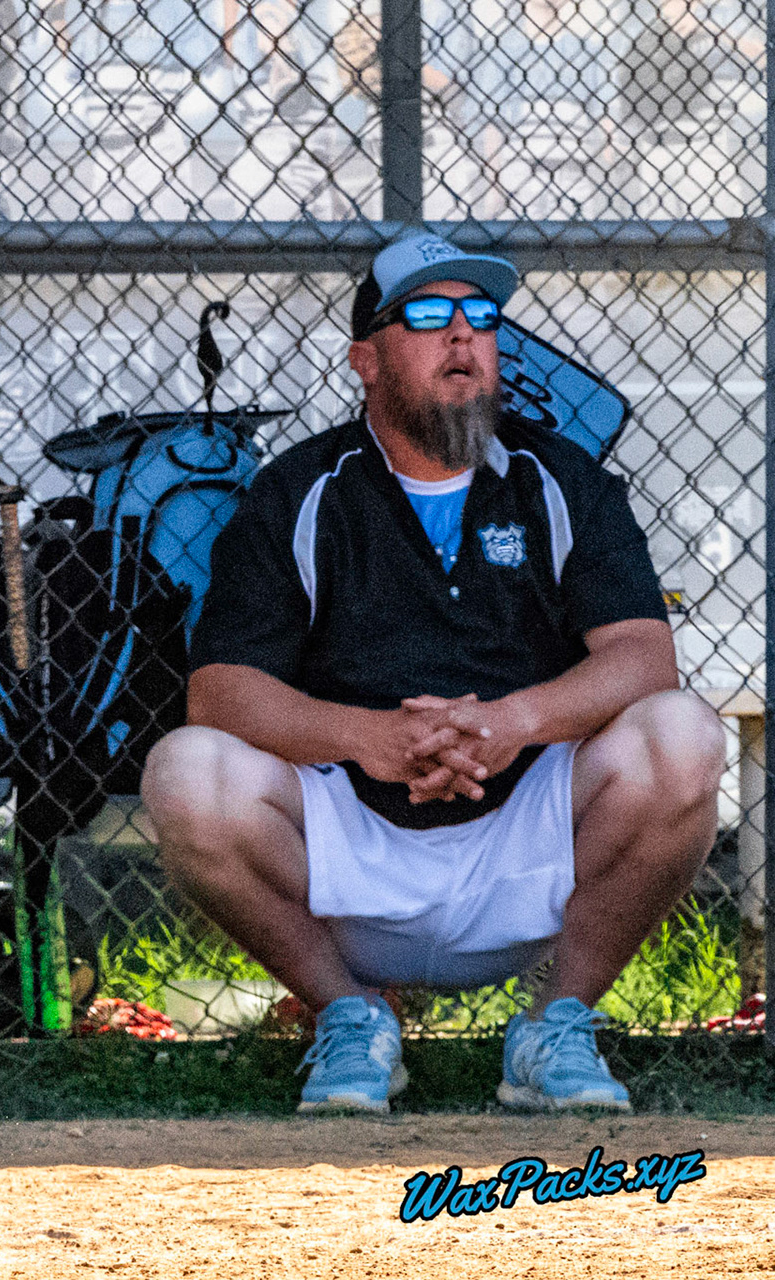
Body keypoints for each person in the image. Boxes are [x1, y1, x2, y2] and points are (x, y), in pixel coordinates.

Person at [143, 233, 724, 1115]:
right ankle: (350, 1014)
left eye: (480, 316)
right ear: (365, 359)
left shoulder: (562, 480)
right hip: (350, 852)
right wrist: (373, 739)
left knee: (683, 734)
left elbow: (644, 657)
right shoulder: (302, 491)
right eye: (425, 314)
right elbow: (222, 693)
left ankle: (556, 1025)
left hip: (530, 838)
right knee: (186, 770)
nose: (462, 335)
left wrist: (513, 722)